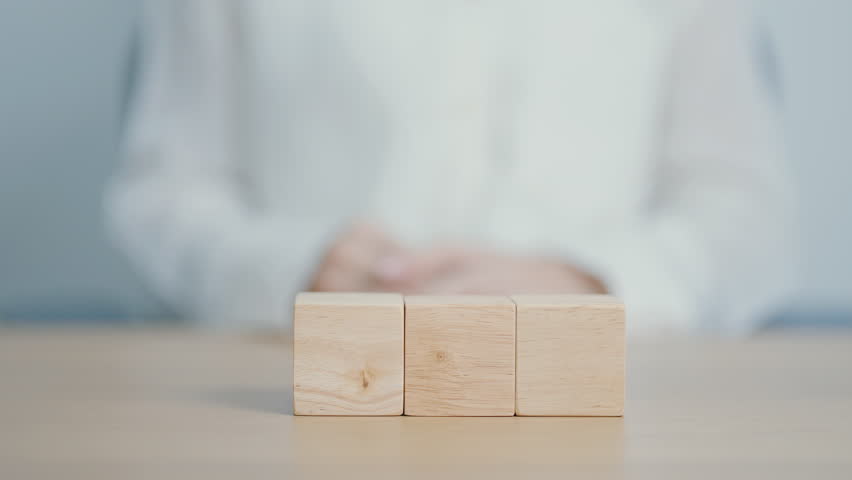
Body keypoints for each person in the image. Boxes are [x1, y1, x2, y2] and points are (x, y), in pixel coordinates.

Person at [106, 0, 793, 335]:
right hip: (309, 386)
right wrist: (298, 267)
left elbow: (747, 214)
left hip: (615, 400)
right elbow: (162, 190)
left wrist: (593, 282)